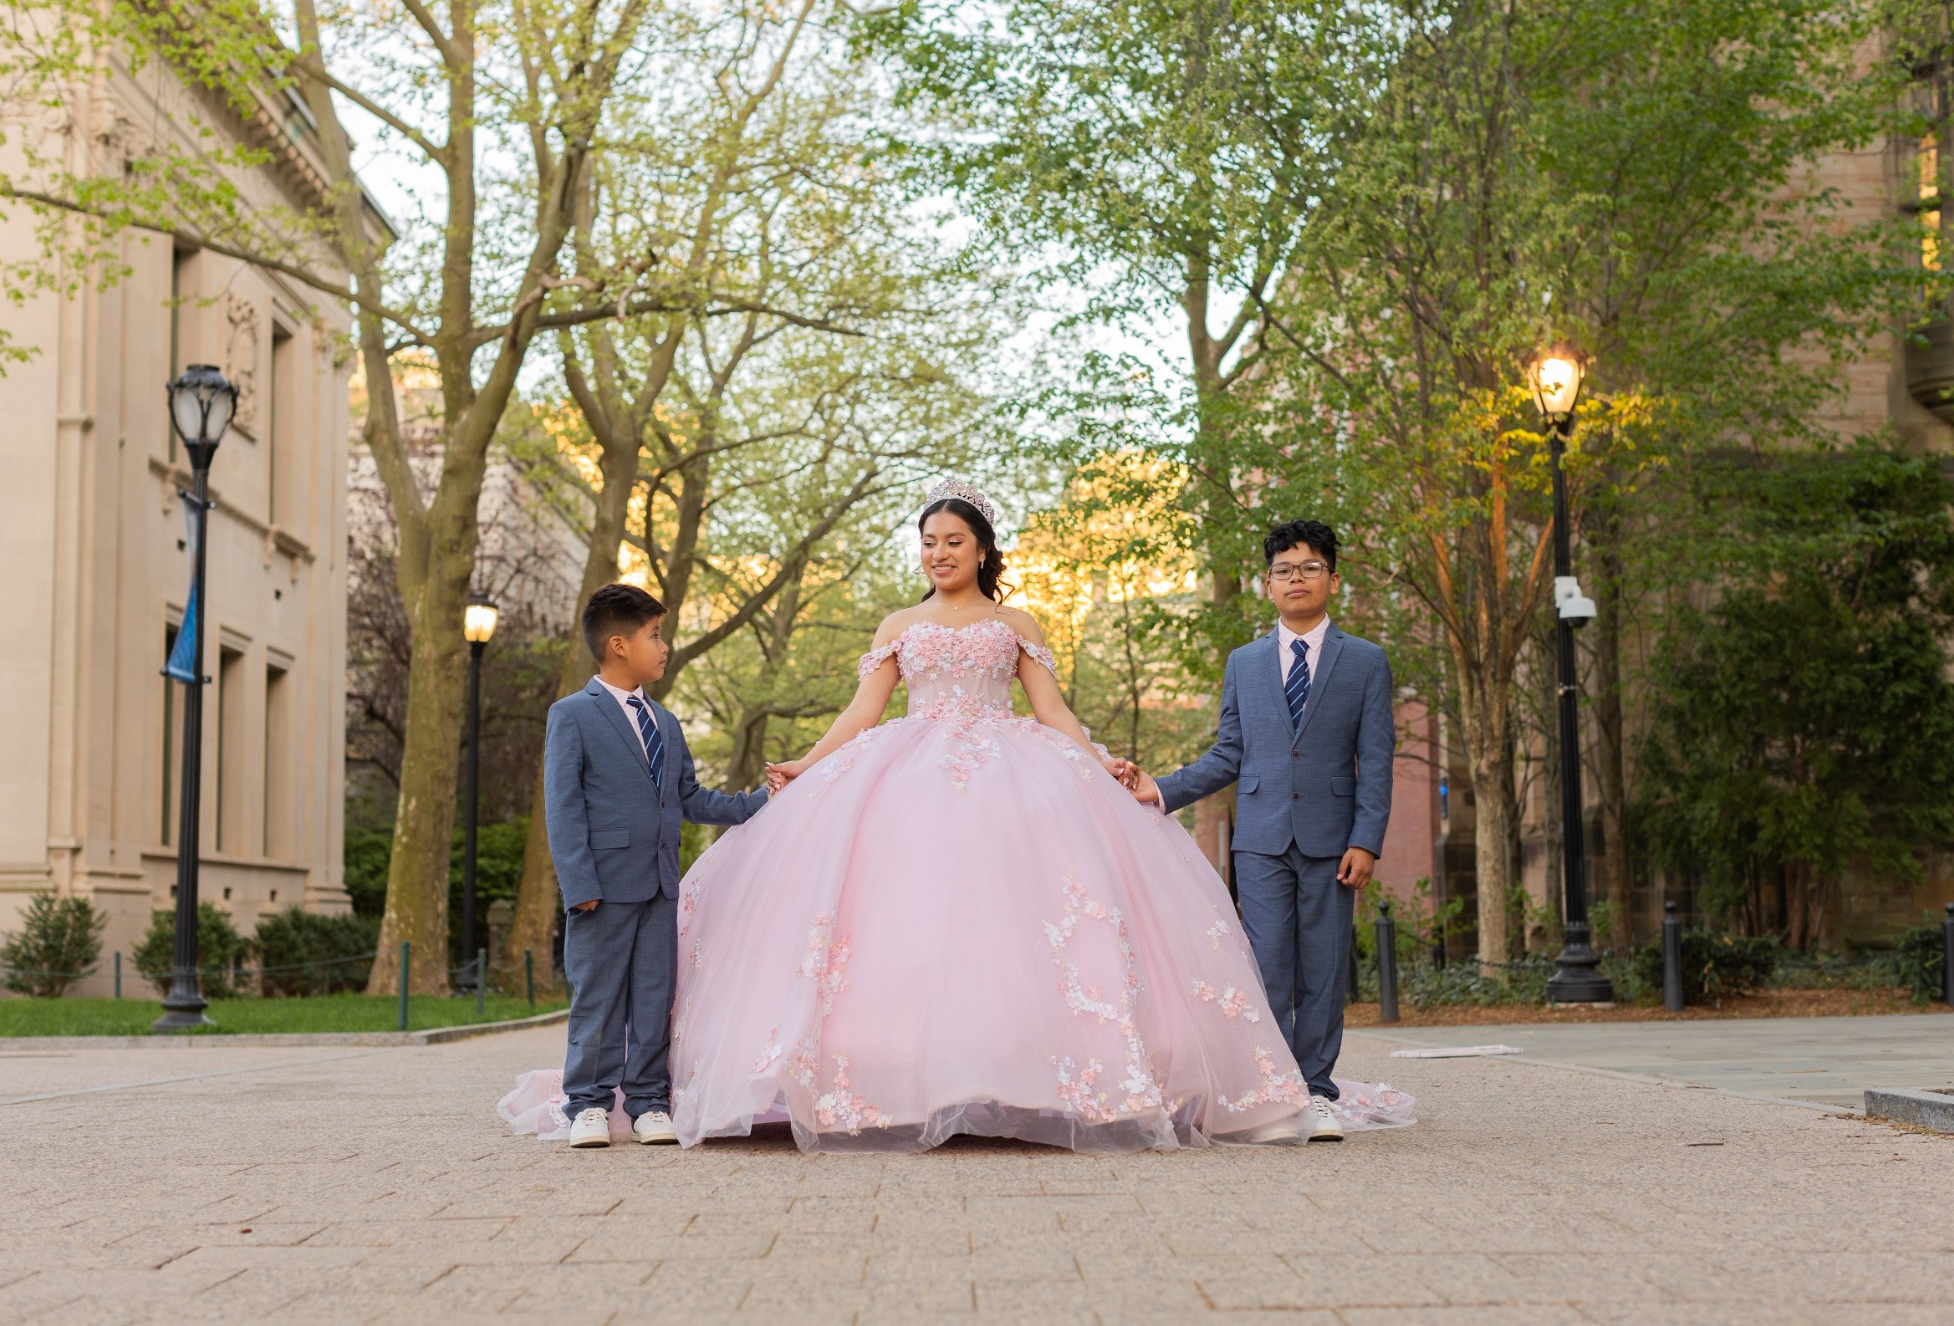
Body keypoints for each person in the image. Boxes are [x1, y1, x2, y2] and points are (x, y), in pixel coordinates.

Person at [499, 482, 1412, 1151]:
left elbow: (1051, 712)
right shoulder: (899, 623)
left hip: (1015, 772)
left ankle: (1051, 1073)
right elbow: (864, 715)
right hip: (906, 769)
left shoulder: (1018, 621)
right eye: (928, 541)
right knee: (899, 920)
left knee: (1026, 918)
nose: (937, 553)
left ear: (981, 547)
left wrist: (1099, 761)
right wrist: (810, 765)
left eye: (952, 540)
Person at [1132, 521, 1395, 1139]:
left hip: (1335, 840)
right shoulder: (1245, 662)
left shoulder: (1365, 662)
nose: (1295, 579)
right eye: (1283, 569)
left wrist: (1367, 839)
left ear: (1333, 578)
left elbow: (1376, 759)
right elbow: (1229, 753)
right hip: (1260, 837)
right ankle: (1272, 1090)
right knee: (1266, 965)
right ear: (1265, 583)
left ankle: (1318, 1090)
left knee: (1325, 967)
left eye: (1308, 568)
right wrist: (1162, 790)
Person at [540, 583, 767, 1149]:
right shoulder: (572, 715)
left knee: (653, 996)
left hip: (661, 885)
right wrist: (578, 885)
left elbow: (690, 797)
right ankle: (587, 1105)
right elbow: (563, 806)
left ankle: (646, 1101)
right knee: (597, 996)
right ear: (618, 645)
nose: (664, 647)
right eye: (655, 635)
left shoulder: (665, 722)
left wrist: (762, 802)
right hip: (602, 887)